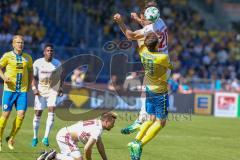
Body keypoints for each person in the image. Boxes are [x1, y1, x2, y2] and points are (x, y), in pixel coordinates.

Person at [114, 5, 170, 135]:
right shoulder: (160, 21)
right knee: (146, 91)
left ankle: (142, 121)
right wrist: (138, 19)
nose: (142, 19)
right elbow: (148, 25)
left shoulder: (150, 29)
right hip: (164, 61)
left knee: (149, 93)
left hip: (156, 63)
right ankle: (142, 119)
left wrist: (120, 22)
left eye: (144, 17)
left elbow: (131, 35)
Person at [127, 32, 173, 160]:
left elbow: (138, 39)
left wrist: (143, 31)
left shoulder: (142, 51)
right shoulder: (162, 57)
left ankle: (135, 141)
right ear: (157, 44)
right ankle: (139, 144)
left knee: (150, 118)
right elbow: (171, 67)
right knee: (161, 122)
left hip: (148, 89)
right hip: (160, 92)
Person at [36, 112, 117, 160]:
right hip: (66, 137)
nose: (114, 125)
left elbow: (100, 145)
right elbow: (87, 148)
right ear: (106, 122)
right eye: (113, 123)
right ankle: (54, 155)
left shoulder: (98, 124)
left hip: (66, 136)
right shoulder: (97, 130)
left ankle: (48, 155)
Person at [0, 35, 33, 151]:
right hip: (9, 91)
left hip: (22, 92)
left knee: (21, 115)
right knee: (5, 116)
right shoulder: (7, 56)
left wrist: (29, 85)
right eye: (18, 42)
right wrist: (4, 77)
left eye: (22, 42)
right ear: (13, 44)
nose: (20, 44)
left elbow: (30, 71)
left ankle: (11, 138)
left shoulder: (28, 58)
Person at [31, 44, 62, 147]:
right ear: (44, 52)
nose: (49, 52)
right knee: (38, 114)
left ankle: (45, 138)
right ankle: (35, 137)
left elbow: (59, 78)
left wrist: (60, 88)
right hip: (40, 90)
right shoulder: (38, 63)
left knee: (51, 113)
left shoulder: (57, 63)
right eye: (47, 51)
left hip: (52, 90)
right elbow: (34, 78)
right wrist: (34, 89)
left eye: (51, 51)